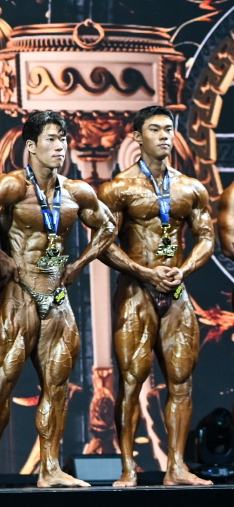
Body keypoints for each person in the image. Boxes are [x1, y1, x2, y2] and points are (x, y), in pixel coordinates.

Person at [0, 111, 117, 488]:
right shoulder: (11, 186)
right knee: (4, 381)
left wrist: (80, 263)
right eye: (51, 139)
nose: (59, 146)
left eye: (63, 139)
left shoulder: (77, 192)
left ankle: (50, 468)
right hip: (20, 295)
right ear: (31, 146)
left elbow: (108, 226)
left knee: (57, 387)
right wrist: (0, 256)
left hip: (58, 298)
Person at [98, 105, 214, 487]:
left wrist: (185, 269)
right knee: (132, 380)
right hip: (136, 289)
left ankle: (176, 466)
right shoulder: (118, 188)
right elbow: (104, 244)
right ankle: (128, 468)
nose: (164, 136)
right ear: (137, 136)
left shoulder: (190, 187)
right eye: (155, 129)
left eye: (168, 129)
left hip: (176, 290)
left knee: (181, 381)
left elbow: (207, 238)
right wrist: (145, 272)